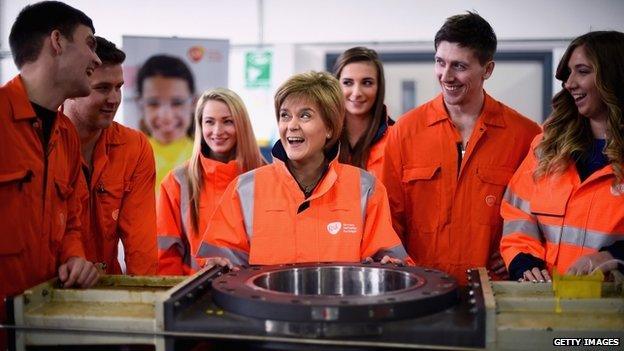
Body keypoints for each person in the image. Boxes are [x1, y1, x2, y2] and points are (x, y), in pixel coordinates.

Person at [381, 12, 541, 285]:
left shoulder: (525, 136)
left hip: (494, 290)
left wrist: (517, 254)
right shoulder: (405, 131)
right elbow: (388, 218)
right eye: (440, 63)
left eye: (459, 66)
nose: (446, 75)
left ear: (487, 69)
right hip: (421, 288)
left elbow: (536, 217)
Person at [197, 71, 411, 267]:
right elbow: (220, 270)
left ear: (329, 127)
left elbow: (388, 263)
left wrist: (389, 264)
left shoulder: (366, 188)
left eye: (305, 115)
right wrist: (214, 267)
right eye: (285, 115)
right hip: (266, 309)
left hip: (341, 309)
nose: (291, 125)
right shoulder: (244, 189)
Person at [0, 1, 101, 345]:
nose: (97, 60)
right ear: (57, 41)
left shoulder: (66, 135)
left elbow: (70, 217)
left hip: (44, 322)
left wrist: (74, 255)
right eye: (90, 43)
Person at [500, 31, 624, 282]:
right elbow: (517, 218)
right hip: (547, 305)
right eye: (569, 73)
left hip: (612, 309)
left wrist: (614, 256)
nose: (569, 83)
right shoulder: (547, 145)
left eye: (583, 71)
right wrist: (524, 260)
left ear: (614, 76)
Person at [63, 37, 158, 275]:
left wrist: (143, 300)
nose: (114, 99)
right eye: (103, 88)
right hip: (48, 288)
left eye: (119, 87)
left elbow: (141, 244)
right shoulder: (42, 143)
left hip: (109, 287)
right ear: (73, 87)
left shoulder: (134, 147)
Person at [157, 88, 265, 275]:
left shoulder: (266, 177)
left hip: (252, 294)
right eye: (209, 122)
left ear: (242, 125)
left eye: (227, 121)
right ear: (200, 126)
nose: (217, 131)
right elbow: (164, 255)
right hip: (193, 295)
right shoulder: (177, 182)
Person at [135, 54, 196, 189]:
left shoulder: (207, 156)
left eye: (177, 103)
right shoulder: (130, 158)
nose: (166, 116)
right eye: (153, 103)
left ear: (193, 102)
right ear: (140, 104)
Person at [333, 46, 392, 178]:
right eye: (348, 83)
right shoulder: (322, 138)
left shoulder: (397, 138)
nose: (357, 93)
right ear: (336, 86)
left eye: (367, 83)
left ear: (379, 87)